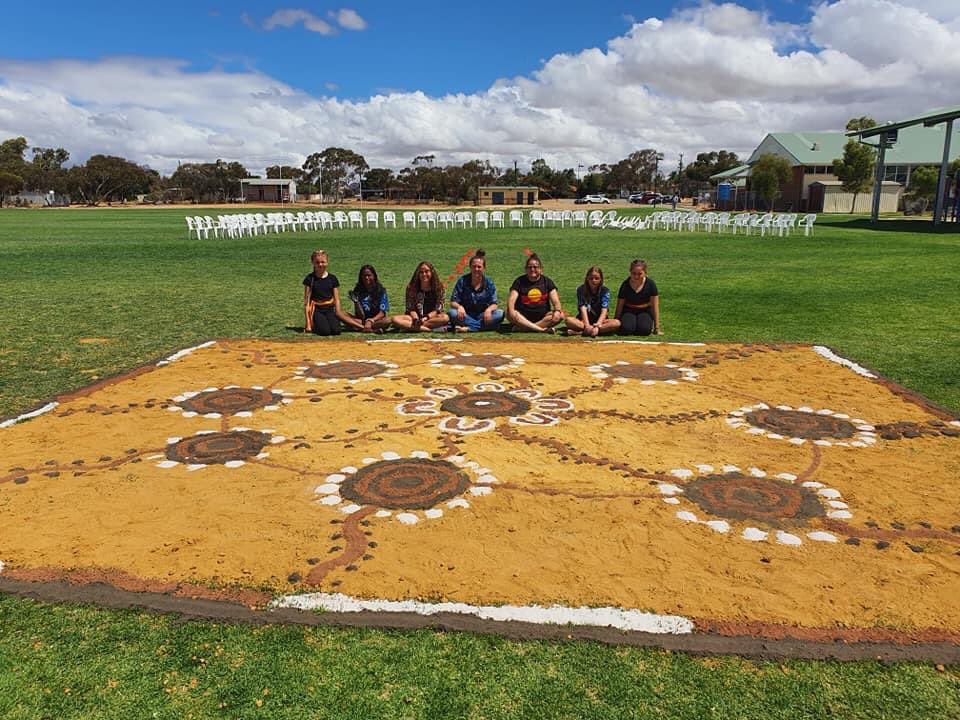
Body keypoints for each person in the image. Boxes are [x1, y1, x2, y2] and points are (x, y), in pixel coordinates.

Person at [447, 249, 503, 332]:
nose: (476, 269)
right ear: (470, 267)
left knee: (500, 313)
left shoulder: (489, 282)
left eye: (479, 267)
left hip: (483, 315)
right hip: (465, 314)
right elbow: (453, 302)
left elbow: (494, 303)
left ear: (484, 268)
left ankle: (469, 328)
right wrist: (459, 307)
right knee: (452, 313)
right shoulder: (462, 281)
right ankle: (482, 327)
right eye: (474, 266)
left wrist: (488, 310)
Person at [507, 253, 563, 333]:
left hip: (542, 317)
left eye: (535, 267)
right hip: (522, 316)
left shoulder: (547, 282)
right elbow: (511, 300)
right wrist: (511, 311)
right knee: (509, 312)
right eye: (530, 267)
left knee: (560, 315)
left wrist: (557, 311)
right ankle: (541, 329)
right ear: (525, 269)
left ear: (541, 269)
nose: (532, 269)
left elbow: (556, 301)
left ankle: (525, 328)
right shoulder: (519, 281)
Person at [564, 266, 620, 337]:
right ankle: (594, 331)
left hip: (601, 321)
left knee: (617, 323)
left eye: (597, 278)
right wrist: (587, 325)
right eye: (591, 278)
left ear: (601, 279)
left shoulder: (605, 291)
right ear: (587, 278)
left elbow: (604, 310)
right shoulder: (581, 290)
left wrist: (598, 325)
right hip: (584, 320)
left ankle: (581, 332)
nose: (594, 280)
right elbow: (583, 308)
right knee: (568, 320)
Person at [392, 261, 448, 331]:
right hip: (414, 318)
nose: (424, 274)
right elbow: (410, 308)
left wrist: (425, 318)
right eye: (421, 272)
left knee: (445, 318)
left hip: (431, 318)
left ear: (432, 272)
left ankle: (411, 327)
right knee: (395, 319)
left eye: (427, 271)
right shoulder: (411, 288)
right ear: (417, 274)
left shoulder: (439, 287)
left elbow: (438, 309)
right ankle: (427, 329)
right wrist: (416, 319)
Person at [302, 249, 347, 336]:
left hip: (329, 308)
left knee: (336, 330)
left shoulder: (332, 278)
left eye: (323, 262)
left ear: (327, 262)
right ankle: (314, 323)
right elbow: (306, 302)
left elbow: (337, 299)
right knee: (325, 332)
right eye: (317, 262)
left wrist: (338, 312)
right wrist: (307, 323)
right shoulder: (310, 279)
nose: (320, 265)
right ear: (313, 263)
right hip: (317, 309)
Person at [615, 258, 661, 336]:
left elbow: (655, 306)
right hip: (629, 310)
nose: (636, 276)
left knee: (644, 331)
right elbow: (620, 305)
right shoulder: (625, 285)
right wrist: (616, 322)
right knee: (626, 329)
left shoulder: (650, 284)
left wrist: (657, 327)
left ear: (645, 273)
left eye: (640, 273)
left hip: (645, 310)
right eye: (633, 273)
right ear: (630, 272)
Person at [341, 264, 391, 333]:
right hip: (362, 321)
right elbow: (360, 315)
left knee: (388, 320)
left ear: (374, 276)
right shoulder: (358, 290)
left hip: (376, 320)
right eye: (364, 276)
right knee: (340, 314)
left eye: (369, 275)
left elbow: (382, 313)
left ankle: (361, 327)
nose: (366, 278)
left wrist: (370, 321)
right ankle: (370, 329)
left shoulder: (381, 291)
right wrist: (356, 302)